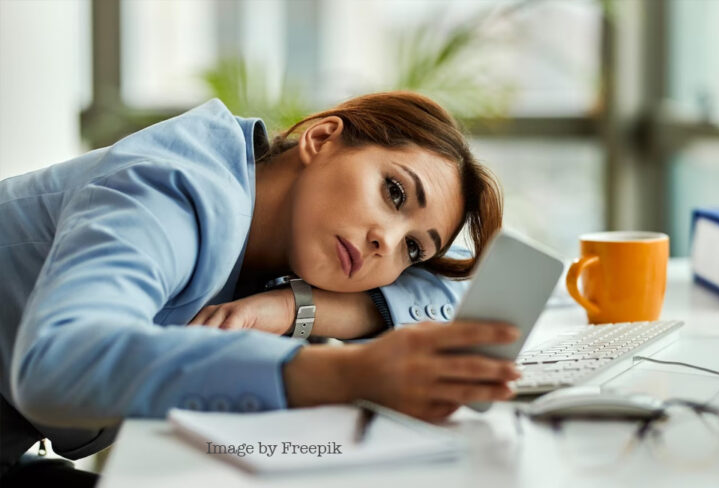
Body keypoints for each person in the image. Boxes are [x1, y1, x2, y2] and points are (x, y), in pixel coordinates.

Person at [0, 92, 521, 484]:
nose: (387, 242)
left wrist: (295, 308)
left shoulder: (284, 250)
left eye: (413, 249)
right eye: (393, 192)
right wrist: (341, 373)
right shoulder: (168, 187)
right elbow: (57, 360)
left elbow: (449, 300)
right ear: (321, 139)